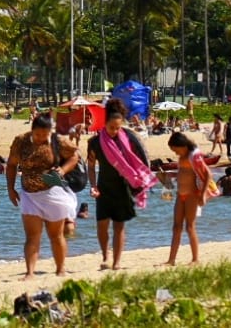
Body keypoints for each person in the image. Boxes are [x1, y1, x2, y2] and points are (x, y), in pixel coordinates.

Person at [7, 113, 80, 278]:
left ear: (50, 132)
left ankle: (60, 269)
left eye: (44, 135)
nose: (41, 138)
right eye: (37, 134)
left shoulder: (58, 141)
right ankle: (30, 272)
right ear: (32, 130)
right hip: (29, 194)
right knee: (32, 236)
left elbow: (75, 156)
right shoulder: (21, 141)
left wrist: (62, 170)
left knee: (56, 235)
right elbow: (11, 165)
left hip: (52, 193)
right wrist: (10, 189)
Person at [86, 97, 153, 271]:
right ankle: (105, 255)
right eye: (111, 127)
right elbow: (91, 166)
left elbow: (140, 157)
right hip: (103, 187)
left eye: (118, 127)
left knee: (119, 225)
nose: (115, 131)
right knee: (102, 225)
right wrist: (92, 185)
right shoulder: (94, 143)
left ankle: (116, 262)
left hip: (123, 187)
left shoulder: (127, 139)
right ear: (104, 123)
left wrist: (141, 179)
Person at [164, 131, 214, 266]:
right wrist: (169, 175)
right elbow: (182, 173)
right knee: (176, 227)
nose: (175, 153)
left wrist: (203, 194)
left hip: (192, 195)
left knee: (190, 227)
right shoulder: (182, 158)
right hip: (180, 195)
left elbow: (208, 174)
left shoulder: (194, 156)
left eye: (175, 150)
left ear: (183, 146)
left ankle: (195, 259)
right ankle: (171, 260)